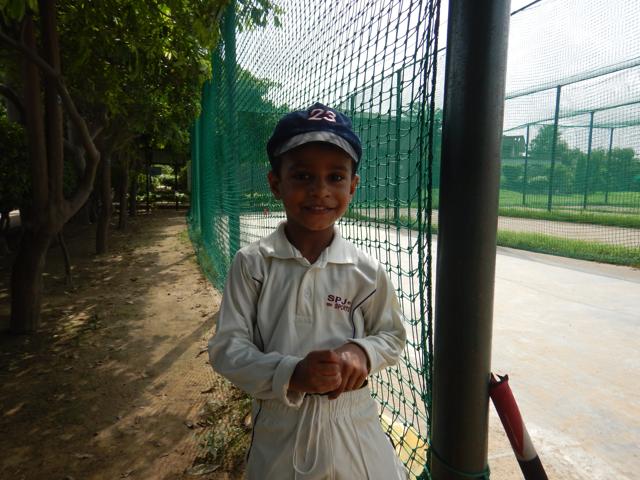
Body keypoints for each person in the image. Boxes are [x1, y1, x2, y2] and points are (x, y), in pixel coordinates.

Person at [208, 102, 407, 479]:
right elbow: (227, 349)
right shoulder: (253, 264)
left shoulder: (365, 271)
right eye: (302, 176)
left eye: (335, 177)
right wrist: (292, 373)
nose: (319, 191)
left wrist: (360, 353)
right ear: (275, 183)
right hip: (280, 423)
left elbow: (392, 335)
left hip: (354, 423)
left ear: (353, 185)